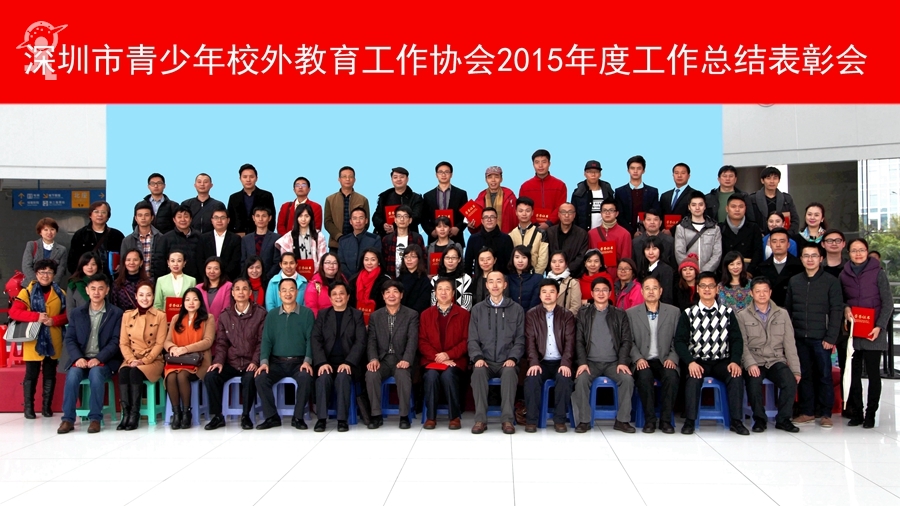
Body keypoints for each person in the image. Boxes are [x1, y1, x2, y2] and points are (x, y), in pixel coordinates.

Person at [674, 271, 748, 435]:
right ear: (698, 289)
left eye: (711, 286)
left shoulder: (727, 313)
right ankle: (690, 421)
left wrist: (735, 361)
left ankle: (736, 421)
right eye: (703, 286)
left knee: (735, 375)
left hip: (722, 361)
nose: (707, 289)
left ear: (717, 289)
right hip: (697, 361)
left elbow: (736, 339)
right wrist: (690, 362)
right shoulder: (688, 313)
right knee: (693, 378)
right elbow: (679, 341)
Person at [784, 243, 842, 428]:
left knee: (824, 375)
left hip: (822, 338)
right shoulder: (794, 281)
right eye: (806, 256)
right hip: (799, 336)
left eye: (814, 256)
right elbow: (788, 311)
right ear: (801, 259)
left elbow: (837, 311)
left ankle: (825, 413)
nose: (810, 259)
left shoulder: (831, 281)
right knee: (805, 375)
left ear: (821, 258)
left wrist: (831, 337)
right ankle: (807, 412)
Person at [57, 273, 124, 434]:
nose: (96, 292)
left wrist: (99, 358)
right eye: (93, 288)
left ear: (107, 290)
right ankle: (68, 419)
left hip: (105, 360)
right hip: (81, 359)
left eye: (100, 289)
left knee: (96, 373)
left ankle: (95, 419)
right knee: (72, 375)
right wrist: (78, 357)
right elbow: (70, 339)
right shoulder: (77, 313)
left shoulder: (116, 313)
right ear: (87, 290)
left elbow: (115, 341)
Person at [840, 238, 893, 428]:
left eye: (861, 250)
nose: (858, 254)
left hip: (873, 332)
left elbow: (888, 302)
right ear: (849, 253)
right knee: (853, 375)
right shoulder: (844, 274)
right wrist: (846, 308)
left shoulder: (878, 273)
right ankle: (857, 413)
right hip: (854, 332)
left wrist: (880, 326)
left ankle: (871, 413)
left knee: (873, 374)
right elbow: (841, 299)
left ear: (867, 251)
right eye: (854, 250)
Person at [737, 276, 801, 433]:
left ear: (770, 292)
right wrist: (750, 364)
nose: (762, 294)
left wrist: (795, 370)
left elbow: (789, 344)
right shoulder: (742, 315)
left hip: (775, 360)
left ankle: (783, 419)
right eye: (758, 291)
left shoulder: (782, 314)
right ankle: (759, 419)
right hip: (755, 360)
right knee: (753, 382)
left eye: (765, 291)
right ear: (751, 293)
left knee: (790, 381)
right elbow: (742, 344)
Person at [572, 276, 635, 433]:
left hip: (614, 363)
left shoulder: (620, 314)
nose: (601, 293)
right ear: (592, 293)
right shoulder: (583, 313)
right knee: (581, 380)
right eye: (597, 290)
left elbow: (626, 340)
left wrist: (622, 362)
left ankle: (622, 420)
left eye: (604, 290)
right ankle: (584, 421)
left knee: (627, 380)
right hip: (590, 363)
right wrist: (582, 363)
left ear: (610, 293)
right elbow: (579, 341)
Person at [203, 278, 266, 430]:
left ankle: (246, 416)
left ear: (250, 292)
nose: (241, 292)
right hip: (232, 362)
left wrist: (255, 361)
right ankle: (218, 416)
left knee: (250, 378)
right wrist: (218, 362)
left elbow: (262, 342)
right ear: (232, 293)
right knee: (211, 376)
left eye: (244, 289)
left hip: (250, 361)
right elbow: (222, 343)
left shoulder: (260, 313)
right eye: (237, 289)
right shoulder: (225, 315)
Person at [253, 278, 315, 430]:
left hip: (299, 362)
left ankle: (298, 417)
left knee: (306, 377)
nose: (288, 293)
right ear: (279, 293)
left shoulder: (307, 313)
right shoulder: (272, 315)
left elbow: (311, 339)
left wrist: (307, 361)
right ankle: (272, 417)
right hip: (277, 362)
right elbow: (266, 340)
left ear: (297, 292)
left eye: (291, 289)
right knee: (261, 378)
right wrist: (264, 362)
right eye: (284, 290)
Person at [10, 259, 68, 420]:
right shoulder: (27, 292)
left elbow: (68, 315)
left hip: (54, 339)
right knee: (31, 374)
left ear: (54, 274)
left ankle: (46, 407)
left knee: (50, 374)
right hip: (33, 339)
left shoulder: (61, 293)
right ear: (36, 274)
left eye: (49, 272)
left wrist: (54, 320)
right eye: (42, 272)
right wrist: (36, 317)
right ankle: (28, 408)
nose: (45, 275)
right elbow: (14, 313)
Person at [468, 271, 525, 434]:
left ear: (505, 285)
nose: (495, 285)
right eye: (491, 281)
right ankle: (480, 420)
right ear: (486, 285)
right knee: (478, 372)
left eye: (499, 281)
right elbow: (472, 339)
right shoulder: (477, 309)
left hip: (506, 360)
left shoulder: (516, 309)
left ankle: (507, 420)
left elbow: (520, 339)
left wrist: (513, 358)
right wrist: (477, 357)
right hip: (484, 360)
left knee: (509, 373)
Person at [311, 280, 368, 432]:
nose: (338, 297)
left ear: (348, 296)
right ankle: (321, 419)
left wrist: (349, 362)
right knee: (323, 378)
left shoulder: (356, 315)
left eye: (342, 293)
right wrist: (322, 362)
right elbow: (315, 340)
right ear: (330, 298)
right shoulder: (323, 315)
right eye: (334, 294)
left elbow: (361, 341)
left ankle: (342, 420)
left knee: (343, 377)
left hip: (349, 363)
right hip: (327, 362)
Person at [626, 276, 680, 434]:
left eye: (655, 288)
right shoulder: (631, 313)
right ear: (642, 291)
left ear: (661, 291)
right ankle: (649, 420)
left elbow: (679, 340)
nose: (651, 291)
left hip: (665, 359)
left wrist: (672, 358)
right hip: (642, 359)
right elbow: (628, 341)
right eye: (647, 288)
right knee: (644, 377)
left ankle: (665, 421)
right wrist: (638, 359)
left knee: (671, 376)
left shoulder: (674, 312)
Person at [365, 281, 419, 429]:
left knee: (402, 375)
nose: (391, 295)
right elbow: (371, 341)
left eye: (395, 291)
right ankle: (376, 415)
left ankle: (404, 416)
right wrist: (373, 359)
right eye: (387, 292)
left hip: (401, 358)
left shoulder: (411, 315)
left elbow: (412, 340)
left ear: (401, 295)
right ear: (383, 296)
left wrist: (407, 359)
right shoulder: (375, 316)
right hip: (382, 359)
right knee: (371, 374)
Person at [524, 278, 576, 433]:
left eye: (552, 291)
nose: (548, 295)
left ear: (557, 294)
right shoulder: (531, 314)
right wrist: (533, 362)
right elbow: (530, 342)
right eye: (544, 292)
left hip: (560, 361)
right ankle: (531, 420)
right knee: (532, 379)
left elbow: (570, 342)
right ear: (539, 295)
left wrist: (566, 363)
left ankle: (560, 420)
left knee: (564, 378)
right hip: (541, 361)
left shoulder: (567, 315)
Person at [419, 277, 470, 430]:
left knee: (449, 375)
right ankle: (431, 417)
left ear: (453, 293)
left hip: (455, 360)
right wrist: (438, 358)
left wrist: (448, 355)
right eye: (440, 289)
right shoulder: (426, 314)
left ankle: (454, 417)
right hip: (431, 360)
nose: (443, 292)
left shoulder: (463, 314)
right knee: (431, 376)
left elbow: (466, 341)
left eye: (447, 289)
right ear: (435, 293)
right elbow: (422, 341)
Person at [116, 281, 167, 430]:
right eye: (141, 295)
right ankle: (126, 415)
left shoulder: (160, 316)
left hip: (153, 360)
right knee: (124, 372)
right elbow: (123, 343)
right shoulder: (127, 316)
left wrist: (144, 360)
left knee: (135, 372)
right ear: (136, 296)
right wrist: (131, 359)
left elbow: (160, 344)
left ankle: (134, 414)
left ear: (153, 297)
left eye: (148, 295)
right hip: (132, 358)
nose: (145, 298)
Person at [163, 287, 215, 429]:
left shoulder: (208, 318)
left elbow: (208, 341)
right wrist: (173, 348)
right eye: (187, 300)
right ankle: (177, 413)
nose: (191, 303)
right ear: (183, 302)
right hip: (178, 360)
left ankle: (187, 413)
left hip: (198, 361)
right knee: (171, 376)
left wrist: (185, 349)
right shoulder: (176, 318)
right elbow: (167, 341)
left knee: (182, 376)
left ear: (200, 302)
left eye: (195, 299)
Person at [67, 201, 125, 276]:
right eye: (96, 212)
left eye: (103, 212)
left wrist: (121, 266)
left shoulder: (117, 235)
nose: (100, 215)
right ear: (90, 215)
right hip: (86, 279)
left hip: (111, 278)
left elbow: (125, 257)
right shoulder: (80, 234)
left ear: (108, 216)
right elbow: (72, 261)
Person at [752, 228, 804, 307]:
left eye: (782, 241)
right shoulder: (761, 268)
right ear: (770, 244)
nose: (778, 245)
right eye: (774, 241)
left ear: (788, 244)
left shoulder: (799, 266)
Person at [422, 161, 468, 246]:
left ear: (451, 174)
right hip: (435, 240)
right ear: (436, 175)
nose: (443, 175)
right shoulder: (428, 196)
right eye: (440, 172)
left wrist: (458, 228)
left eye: (447, 172)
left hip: (456, 238)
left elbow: (466, 215)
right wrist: (431, 231)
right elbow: (424, 218)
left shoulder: (461, 194)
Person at [324, 165, 370, 251]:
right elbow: (327, 222)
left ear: (354, 180)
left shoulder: (363, 199)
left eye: (350, 177)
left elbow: (366, 222)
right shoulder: (330, 199)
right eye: (344, 177)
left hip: (357, 243)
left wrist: (355, 237)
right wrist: (339, 237)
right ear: (339, 179)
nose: (348, 179)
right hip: (336, 244)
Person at [519, 149, 568, 229]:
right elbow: (523, 207)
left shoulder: (560, 185)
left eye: (544, 162)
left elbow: (561, 207)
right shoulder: (525, 187)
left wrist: (549, 223)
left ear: (549, 163)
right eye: (537, 162)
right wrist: (534, 223)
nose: (540, 165)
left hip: (555, 228)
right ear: (533, 164)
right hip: (531, 227)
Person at [674, 191, 722, 272]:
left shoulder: (714, 228)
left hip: (708, 275)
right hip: (689, 275)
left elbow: (717, 254)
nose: (697, 208)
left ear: (705, 206)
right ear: (689, 207)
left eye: (700, 204)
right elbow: (679, 253)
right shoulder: (681, 228)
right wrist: (691, 270)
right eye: (693, 205)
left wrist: (705, 271)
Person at [151, 204, 202, 280]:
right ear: (174, 220)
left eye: (186, 216)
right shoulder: (165, 239)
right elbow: (159, 263)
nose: (183, 219)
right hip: (171, 281)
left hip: (195, 281)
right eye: (179, 217)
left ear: (191, 219)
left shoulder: (199, 237)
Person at [372, 167, 425, 238]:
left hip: (409, 236)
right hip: (386, 237)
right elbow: (376, 216)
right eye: (395, 177)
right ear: (392, 180)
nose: (398, 179)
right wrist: (383, 225)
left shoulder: (416, 198)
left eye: (402, 177)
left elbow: (416, 217)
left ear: (407, 179)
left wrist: (395, 226)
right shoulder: (384, 197)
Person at [614, 155, 659, 236]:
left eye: (639, 168)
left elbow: (655, 214)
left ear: (643, 171)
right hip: (626, 233)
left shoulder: (652, 192)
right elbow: (619, 216)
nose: (635, 171)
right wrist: (632, 232)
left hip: (648, 234)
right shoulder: (620, 192)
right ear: (628, 170)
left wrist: (646, 232)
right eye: (632, 168)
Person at [227, 163, 276, 236]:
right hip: (239, 237)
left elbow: (272, 219)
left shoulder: (267, 196)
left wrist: (265, 234)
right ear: (240, 179)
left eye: (251, 177)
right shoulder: (233, 198)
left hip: (261, 235)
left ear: (256, 178)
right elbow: (229, 220)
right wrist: (234, 235)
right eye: (245, 177)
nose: (248, 180)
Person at [587, 199, 633, 278]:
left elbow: (626, 260)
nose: (607, 213)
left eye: (611, 210)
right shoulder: (591, 234)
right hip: (596, 278)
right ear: (601, 213)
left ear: (616, 213)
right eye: (604, 210)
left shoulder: (625, 234)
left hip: (616, 278)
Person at [719, 193, 763, 271]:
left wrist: (750, 272)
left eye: (741, 206)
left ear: (745, 208)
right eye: (733, 206)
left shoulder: (753, 228)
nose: (737, 210)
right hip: (725, 272)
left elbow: (758, 253)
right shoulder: (720, 228)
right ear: (727, 208)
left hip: (748, 271)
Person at [750, 166, 800, 234]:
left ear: (779, 180)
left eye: (775, 178)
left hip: (782, 236)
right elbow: (750, 221)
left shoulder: (787, 199)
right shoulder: (753, 199)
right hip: (759, 237)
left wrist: (787, 235)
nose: (772, 181)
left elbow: (795, 220)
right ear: (762, 180)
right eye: (768, 178)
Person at [464, 207, 514, 276]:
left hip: (501, 279)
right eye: (486, 217)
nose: (489, 220)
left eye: (492, 217)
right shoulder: (474, 239)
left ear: (496, 220)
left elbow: (510, 263)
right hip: (479, 279)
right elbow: (468, 263)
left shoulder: (506, 239)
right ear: (482, 221)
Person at [275, 203, 328, 268]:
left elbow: (322, 259)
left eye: (306, 216)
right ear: (296, 218)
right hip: (294, 272)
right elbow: (286, 260)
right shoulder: (288, 237)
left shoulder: (319, 236)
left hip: (315, 272)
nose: (303, 219)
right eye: (300, 216)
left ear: (311, 218)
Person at [381, 205, 426, 278]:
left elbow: (422, 259)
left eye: (405, 216)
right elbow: (384, 262)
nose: (402, 219)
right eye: (399, 216)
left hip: (413, 278)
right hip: (392, 278)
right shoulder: (387, 239)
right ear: (395, 220)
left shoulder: (417, 238)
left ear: (410, 220)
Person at [546, 202, 590, 276]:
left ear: (574, 215)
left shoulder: (582, 234)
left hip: (573, 274)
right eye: (563, 212)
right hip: (552, 274)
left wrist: (567, 269)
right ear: (559, 215)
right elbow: (546, 254)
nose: (567, 215)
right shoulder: (550, 232)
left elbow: (581, 256)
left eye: (570, 212)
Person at [240, 206, 281, 283]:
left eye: (264, 216)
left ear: (269, 218)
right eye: (258, 216)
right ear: (253, 218)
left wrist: (266, 278)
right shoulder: (246, 239)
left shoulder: (276, 238)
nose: (260, 219)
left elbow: (277, 262)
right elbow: (243, 261)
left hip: (269, 280)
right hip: (249, 280)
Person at [199, 205, 242, 281]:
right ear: (212, 220)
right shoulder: (203, 238)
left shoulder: (235, 239)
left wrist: (223, 278)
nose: (219, 220)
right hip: (207, 280)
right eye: (216, 218)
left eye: (223, 218)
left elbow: (235, 262)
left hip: (228, 280)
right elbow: (200, 260)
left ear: (228, 220)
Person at [22, 217, 68, 286]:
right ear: (40, 232)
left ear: (56, 231)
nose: (49, 232)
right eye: (45, 230)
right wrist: (37, 283)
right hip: (31, 285)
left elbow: (61, 270)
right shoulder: (31, 245)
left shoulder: (62, 249)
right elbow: (26, 266)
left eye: (52, 229)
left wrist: (50, 284)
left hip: (51, 287)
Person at [571, 159, 615, 231]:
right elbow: (573, 216)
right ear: (585, 174)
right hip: (583, 233)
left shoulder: (607, 191)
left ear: (600, 174)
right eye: (590, 172)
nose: (593, 174)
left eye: (596, 172)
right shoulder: (578, 193)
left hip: (606, 231)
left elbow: (614, 212)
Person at [337, 206, 380, 278]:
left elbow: (376, 261)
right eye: (354, 218)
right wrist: (351, 278)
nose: (358, 221)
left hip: (368, 278)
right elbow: (341, 262)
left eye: (361, 218)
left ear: (366, 220)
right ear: (350, 221)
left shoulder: (374, 239)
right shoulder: (343, 240)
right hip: (347, 279)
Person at [473, 166, 517, 233]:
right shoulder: (481, 197)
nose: (493, 180)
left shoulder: (509, 196)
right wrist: (472, 226)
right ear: (486, 180)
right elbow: (477, 225)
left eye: (496, 177)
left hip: (506, 235)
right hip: (485, 236)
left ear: (501, 179)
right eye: (490, 177)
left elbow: (515, 219)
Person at [510, 197, 549, 273]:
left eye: (527, 211)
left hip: (534, 275)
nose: (524, 214)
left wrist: (536, 276)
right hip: (516, 276)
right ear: (516, 212)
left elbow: (543, 258)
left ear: (532, 212)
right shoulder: (511, 234)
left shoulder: (541, 233)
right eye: (520, 211)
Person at [120, 202, 160, 277]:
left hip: (156, 280)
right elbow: (123, 264)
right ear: (136, 218)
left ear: (152, 217)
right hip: (134, 281)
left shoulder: (161, 238)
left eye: (146, 215)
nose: (143, 218)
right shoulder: (127, 241)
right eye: (140, 215)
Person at [430, 245, 474, 310]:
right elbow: (433, 302)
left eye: (454, 258)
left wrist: (456, 314)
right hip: (439, 315)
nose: (450, 261)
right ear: (443, 259)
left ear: (459, 259)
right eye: (447, 257)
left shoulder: (466, 279)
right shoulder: (435, 279)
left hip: (460, 315)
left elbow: (467, 304)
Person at [305, 252, 349, 317]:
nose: (331, 266)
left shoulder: (343, 280)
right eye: (328, 263)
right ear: (322, 265)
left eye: (334, 263)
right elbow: (311, 307)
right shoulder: (315, 284)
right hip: (322, 320)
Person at [638, 237, 674, 306]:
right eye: (647, 249)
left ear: (660, 250)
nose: (650, 252)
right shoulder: (643, 268)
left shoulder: (666, 269)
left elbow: (667, 296)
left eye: (654, 249)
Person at [67, 252, 102, 320]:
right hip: (79, 322)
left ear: (98, 266)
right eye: (86, 264)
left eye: (93, 264)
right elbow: (70, 310)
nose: (90, 267)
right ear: (81, 266)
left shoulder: (103, 283)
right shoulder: (73, 284)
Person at [397, 245, 431, 314]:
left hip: (416, 316)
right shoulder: (398, 280)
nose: (409, 259)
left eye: (413, 257)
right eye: (406, 257)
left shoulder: (424, 281)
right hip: (399, 315)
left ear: (419, 259)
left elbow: (423, 303)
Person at [546, 251, 582, 315]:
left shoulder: (573, 282)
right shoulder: (545, 281)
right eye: (554, 262)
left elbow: (576, 307)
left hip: (564, 319)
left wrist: (562, 318)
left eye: (561, 262)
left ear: (566, 264)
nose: (557, 265)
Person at [507, 245, 542, 311]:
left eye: (524, 257)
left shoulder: (537, 278)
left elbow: (535, 303)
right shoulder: (507, 278)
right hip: (511, 315)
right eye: (517, 257)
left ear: (528, 260)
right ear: (512, 259)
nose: (520, 261)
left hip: (531, 316)